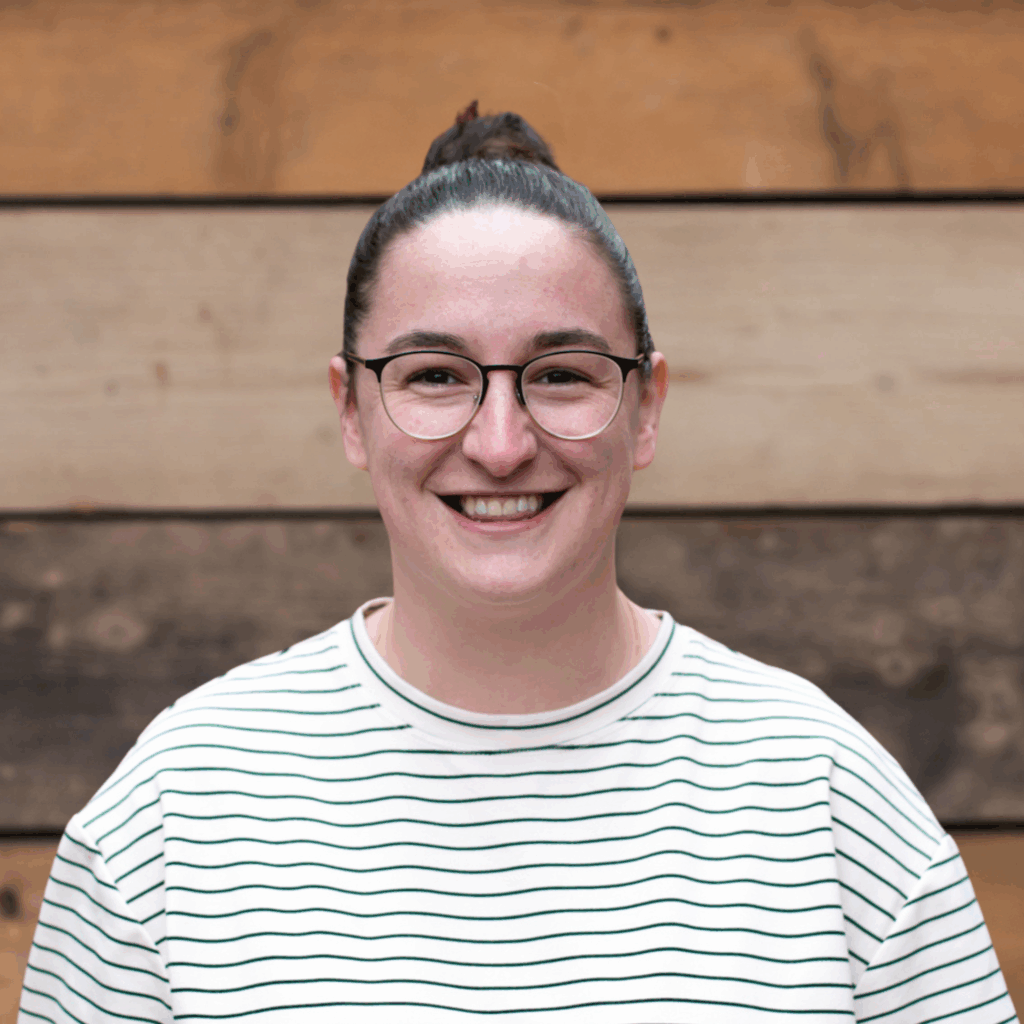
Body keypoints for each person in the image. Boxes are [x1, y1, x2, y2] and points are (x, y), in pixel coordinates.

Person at [20, 107, 1016, 1024]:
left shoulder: (824, 799)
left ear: (648, 405)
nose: (499, 443)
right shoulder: (171, 811)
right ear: (349, 409)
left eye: (560, 375)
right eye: (436, 376)